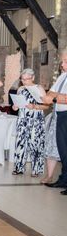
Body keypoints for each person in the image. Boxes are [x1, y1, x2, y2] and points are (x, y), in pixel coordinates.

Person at [11, 69, 47, 176]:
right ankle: (18, 168)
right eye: (22, 79)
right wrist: (15, 106)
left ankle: (36, 169)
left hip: (36, 120)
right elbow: (16, 106)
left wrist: (34, 106)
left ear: (33, 78)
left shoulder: (39, 88)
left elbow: (46, 105)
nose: (24, 81)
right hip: (22, 120)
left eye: (27, 79)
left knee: (35, 144)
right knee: (20, 143)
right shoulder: (20, 89)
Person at [43, 50, 67, 194]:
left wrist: (55, 96)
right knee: (63, 149)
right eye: (63, 61)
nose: (63, 65)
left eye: (65, 61)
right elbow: (48, 95)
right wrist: (57, 97)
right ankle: (64, 179)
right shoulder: (62, 76)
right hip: (60, 114)